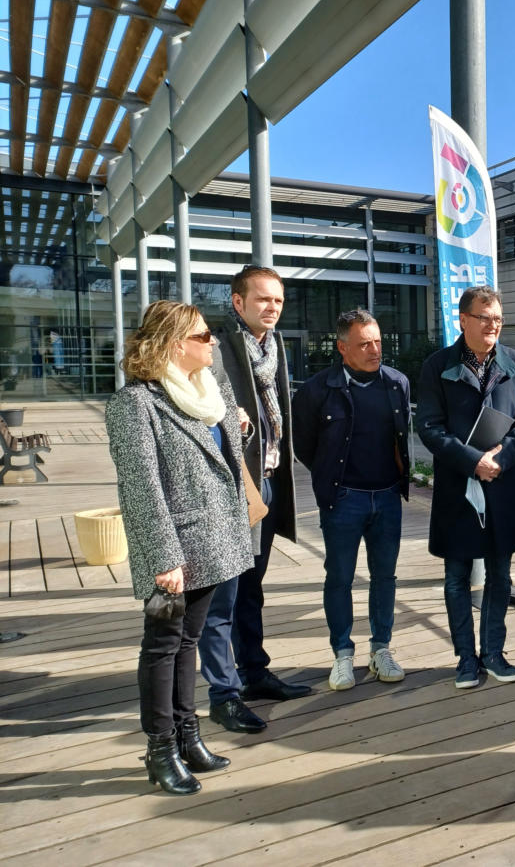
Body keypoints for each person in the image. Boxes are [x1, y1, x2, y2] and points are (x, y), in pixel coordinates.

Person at [106, 300, 254, 794]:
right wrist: (164, 556)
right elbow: (141, 488)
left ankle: (189, 737)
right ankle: (160, 749)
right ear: (174, 345)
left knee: (188, 641)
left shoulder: (210, 389)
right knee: (162, 646)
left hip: (216, 538)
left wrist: (237, 425)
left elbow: (222, 454)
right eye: (203, 335)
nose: (213, 342)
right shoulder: (135, 404)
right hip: (176, 546)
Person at [200, 265, 309, 737]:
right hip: (232, 486)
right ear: (238, 302)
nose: (272, 307)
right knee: (222, 596)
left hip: (266, 478)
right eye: (263, 299)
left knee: (252, 585)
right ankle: (223, 694)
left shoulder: (272, 347)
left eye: (278, 300)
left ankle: (254, 672)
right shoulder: (216, 348)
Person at [416, 286, 515, 690]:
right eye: (485, 317)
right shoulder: (438, 366)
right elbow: (429, 427)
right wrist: (473, 461)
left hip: (504, 484)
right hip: (459, 485)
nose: (493, 325)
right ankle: (466, 659)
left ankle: (494, 654)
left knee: (500, 574)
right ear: (463, 320)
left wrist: (500, 458)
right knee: (457, 574)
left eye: (498, 318)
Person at [292, 309, 410, 691]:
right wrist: (331, 477)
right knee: (340, 578)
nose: (375, 350)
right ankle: (342, 654)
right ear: (343, 348)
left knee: (385, 577)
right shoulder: (316, 390)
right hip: (343, 499)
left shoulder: (397, 383)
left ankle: (381, 650)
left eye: (378, 342)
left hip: (388, 497)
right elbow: (304, 446)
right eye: (364, 344)